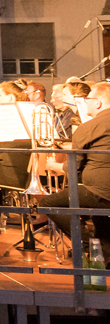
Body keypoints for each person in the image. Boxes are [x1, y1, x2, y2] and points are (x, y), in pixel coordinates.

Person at [45, 81, 110, 246]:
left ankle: (87, 244)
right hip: (102, 190)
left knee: (47, 203)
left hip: (101, 191)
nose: (84, 102)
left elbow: (74, 167)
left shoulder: (89, 127)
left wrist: (55, 167)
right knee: (98, 212)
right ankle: (106, 254)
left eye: (88, 99)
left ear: (98, 103)